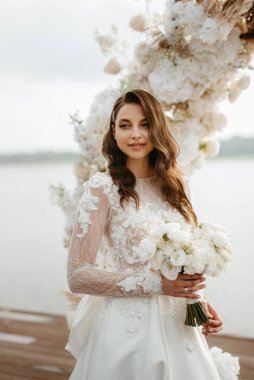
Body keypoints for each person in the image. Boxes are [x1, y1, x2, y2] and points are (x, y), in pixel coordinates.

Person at [65, 89, 223, 380]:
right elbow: (77, 275)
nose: (135, 133)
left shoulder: (176, 185)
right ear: (113, 132)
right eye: (125, 125)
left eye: (145, 123)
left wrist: (196, 299)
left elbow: (182, 256)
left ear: (158, 128)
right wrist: (157, 284)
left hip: (179, 323)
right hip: (128, 330)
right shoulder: (102, 189)